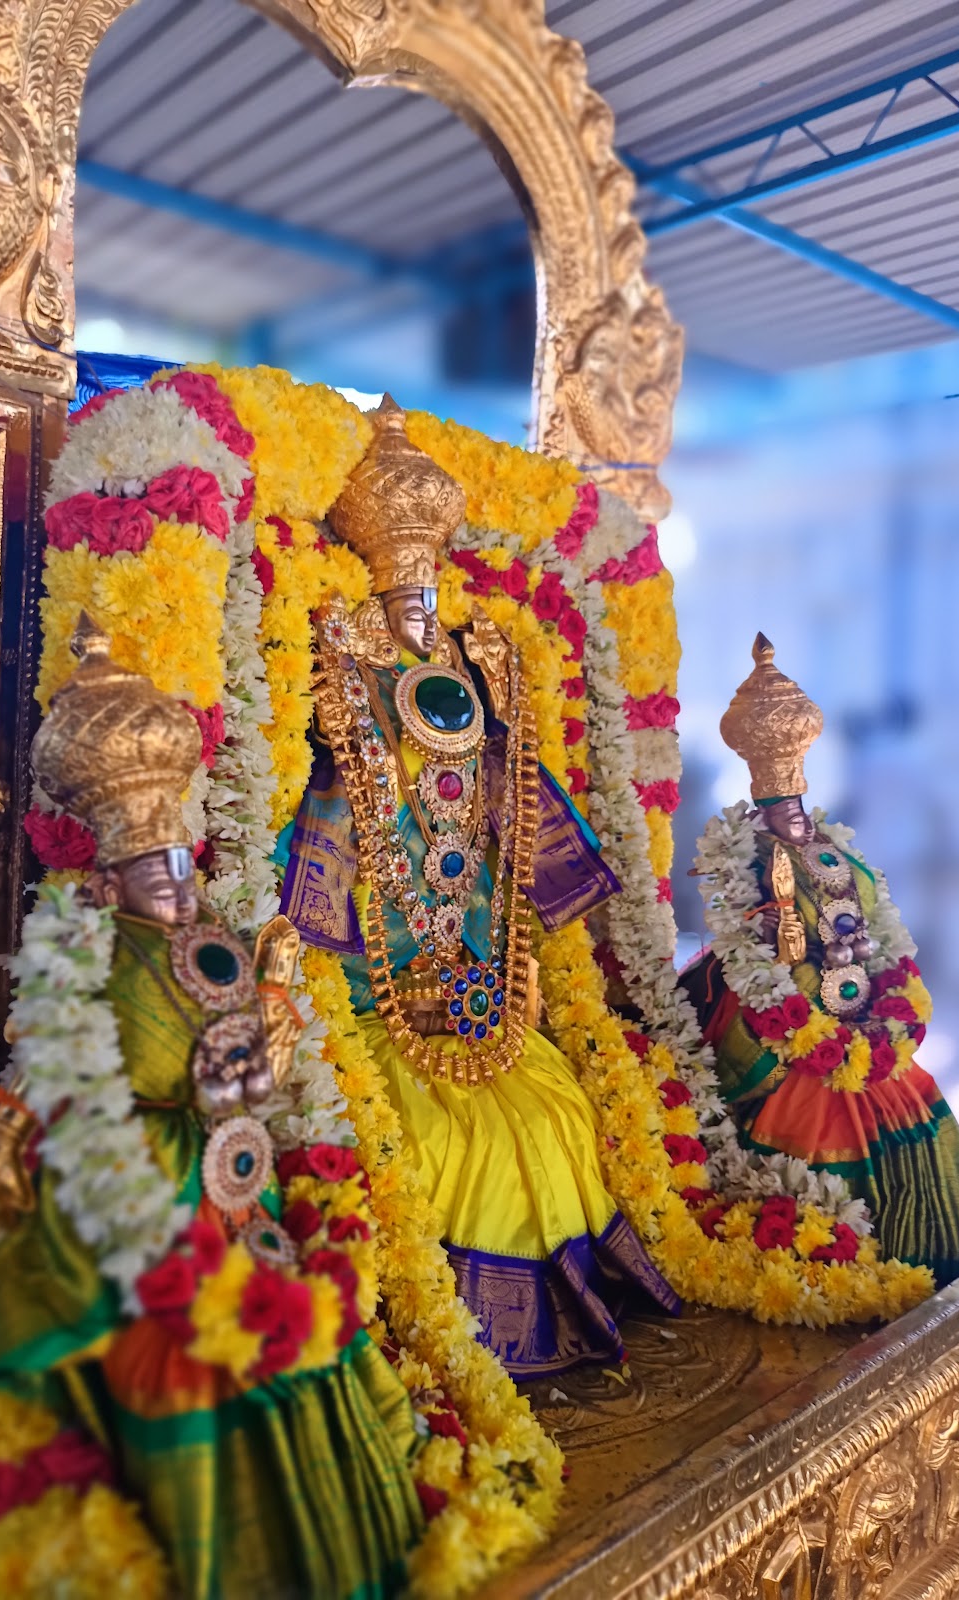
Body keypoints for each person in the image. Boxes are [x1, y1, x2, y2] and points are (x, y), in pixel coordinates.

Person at [0, 618, 424, 1600]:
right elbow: (61, 1089)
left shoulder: (220, 937)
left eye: (181, 866)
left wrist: (267, 1025)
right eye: (155, 874)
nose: (178, 890)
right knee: (181, 1351)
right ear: (105, 880)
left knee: (299, 1320)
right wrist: (11, 1145)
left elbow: (253, 1072)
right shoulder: (79, 966)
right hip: (140, 1191)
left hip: (236, 1189)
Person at [279, 396, 678, 1377]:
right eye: (400, 587)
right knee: (436, 1138)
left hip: (478, 967)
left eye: (429, 586)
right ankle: (448, 1325)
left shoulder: (486, 659)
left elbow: (520, 791)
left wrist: (536, 942)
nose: (417, 605)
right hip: (381, 981)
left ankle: (554, 1311)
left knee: (554, 1114)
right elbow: (329, 824)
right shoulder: (342, 665)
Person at [681, 634, 959, 1282]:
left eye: (795, 806)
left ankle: (928, 1252)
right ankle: (837, 1244)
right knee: (816, 1104)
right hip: (776, 1015)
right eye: (778, 808)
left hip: (852, 1012)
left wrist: (874, 1004)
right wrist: (806, 999)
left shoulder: (837, 852)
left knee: (901, 1087)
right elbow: (754, 955)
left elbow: (875, 934)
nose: (790, 816)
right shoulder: (742, 859)